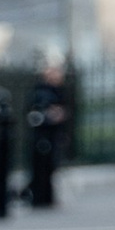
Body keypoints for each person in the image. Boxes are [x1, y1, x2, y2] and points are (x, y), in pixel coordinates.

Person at [23, 53, 74, 208]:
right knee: (43, 167)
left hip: (54, 135)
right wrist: (50, 116)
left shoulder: (60, 92)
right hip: (43, 137)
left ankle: (43, 195)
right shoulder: (41, 92)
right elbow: (33, 115)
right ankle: (35, 194)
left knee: (52, 167)